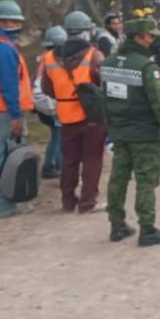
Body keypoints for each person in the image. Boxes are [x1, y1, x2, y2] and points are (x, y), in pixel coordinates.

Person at [101, 17, 160, 247]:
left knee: (118, 178)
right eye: (149, 36)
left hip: (120, 132)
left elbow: (105, 99)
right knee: (145, 181)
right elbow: (159, 103)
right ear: (137, 38)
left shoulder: (109, 63)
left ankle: (117, 225)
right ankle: (147, 229)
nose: (152, 39)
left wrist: (110, 128)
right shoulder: (147, 67)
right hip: (144, 134)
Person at [42, 11, 106, 214]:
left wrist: (64, 95)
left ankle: (68, 201)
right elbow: (104, 84)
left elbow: (46, 88)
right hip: (92, 115)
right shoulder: (93, 55)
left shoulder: (50, 57)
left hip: (65, 114)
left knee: (69, 161)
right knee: (92, 159)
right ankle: (88, 202)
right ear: (87, 32)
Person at [0, 0, 35, 218]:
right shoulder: (3, 48)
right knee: (2, 154)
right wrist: (15, 115)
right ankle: (1, 202)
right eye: (13, 21)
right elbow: (9, 85)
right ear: (2, 21)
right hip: (4, 110)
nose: (16, 25)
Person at [33, 25, 68, 180]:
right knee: (61, 137)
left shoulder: (43, 57)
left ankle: (49, 166)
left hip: (47, 103)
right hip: (54, 102)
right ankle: (58, 167)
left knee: (55, 136)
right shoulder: (54, 59)